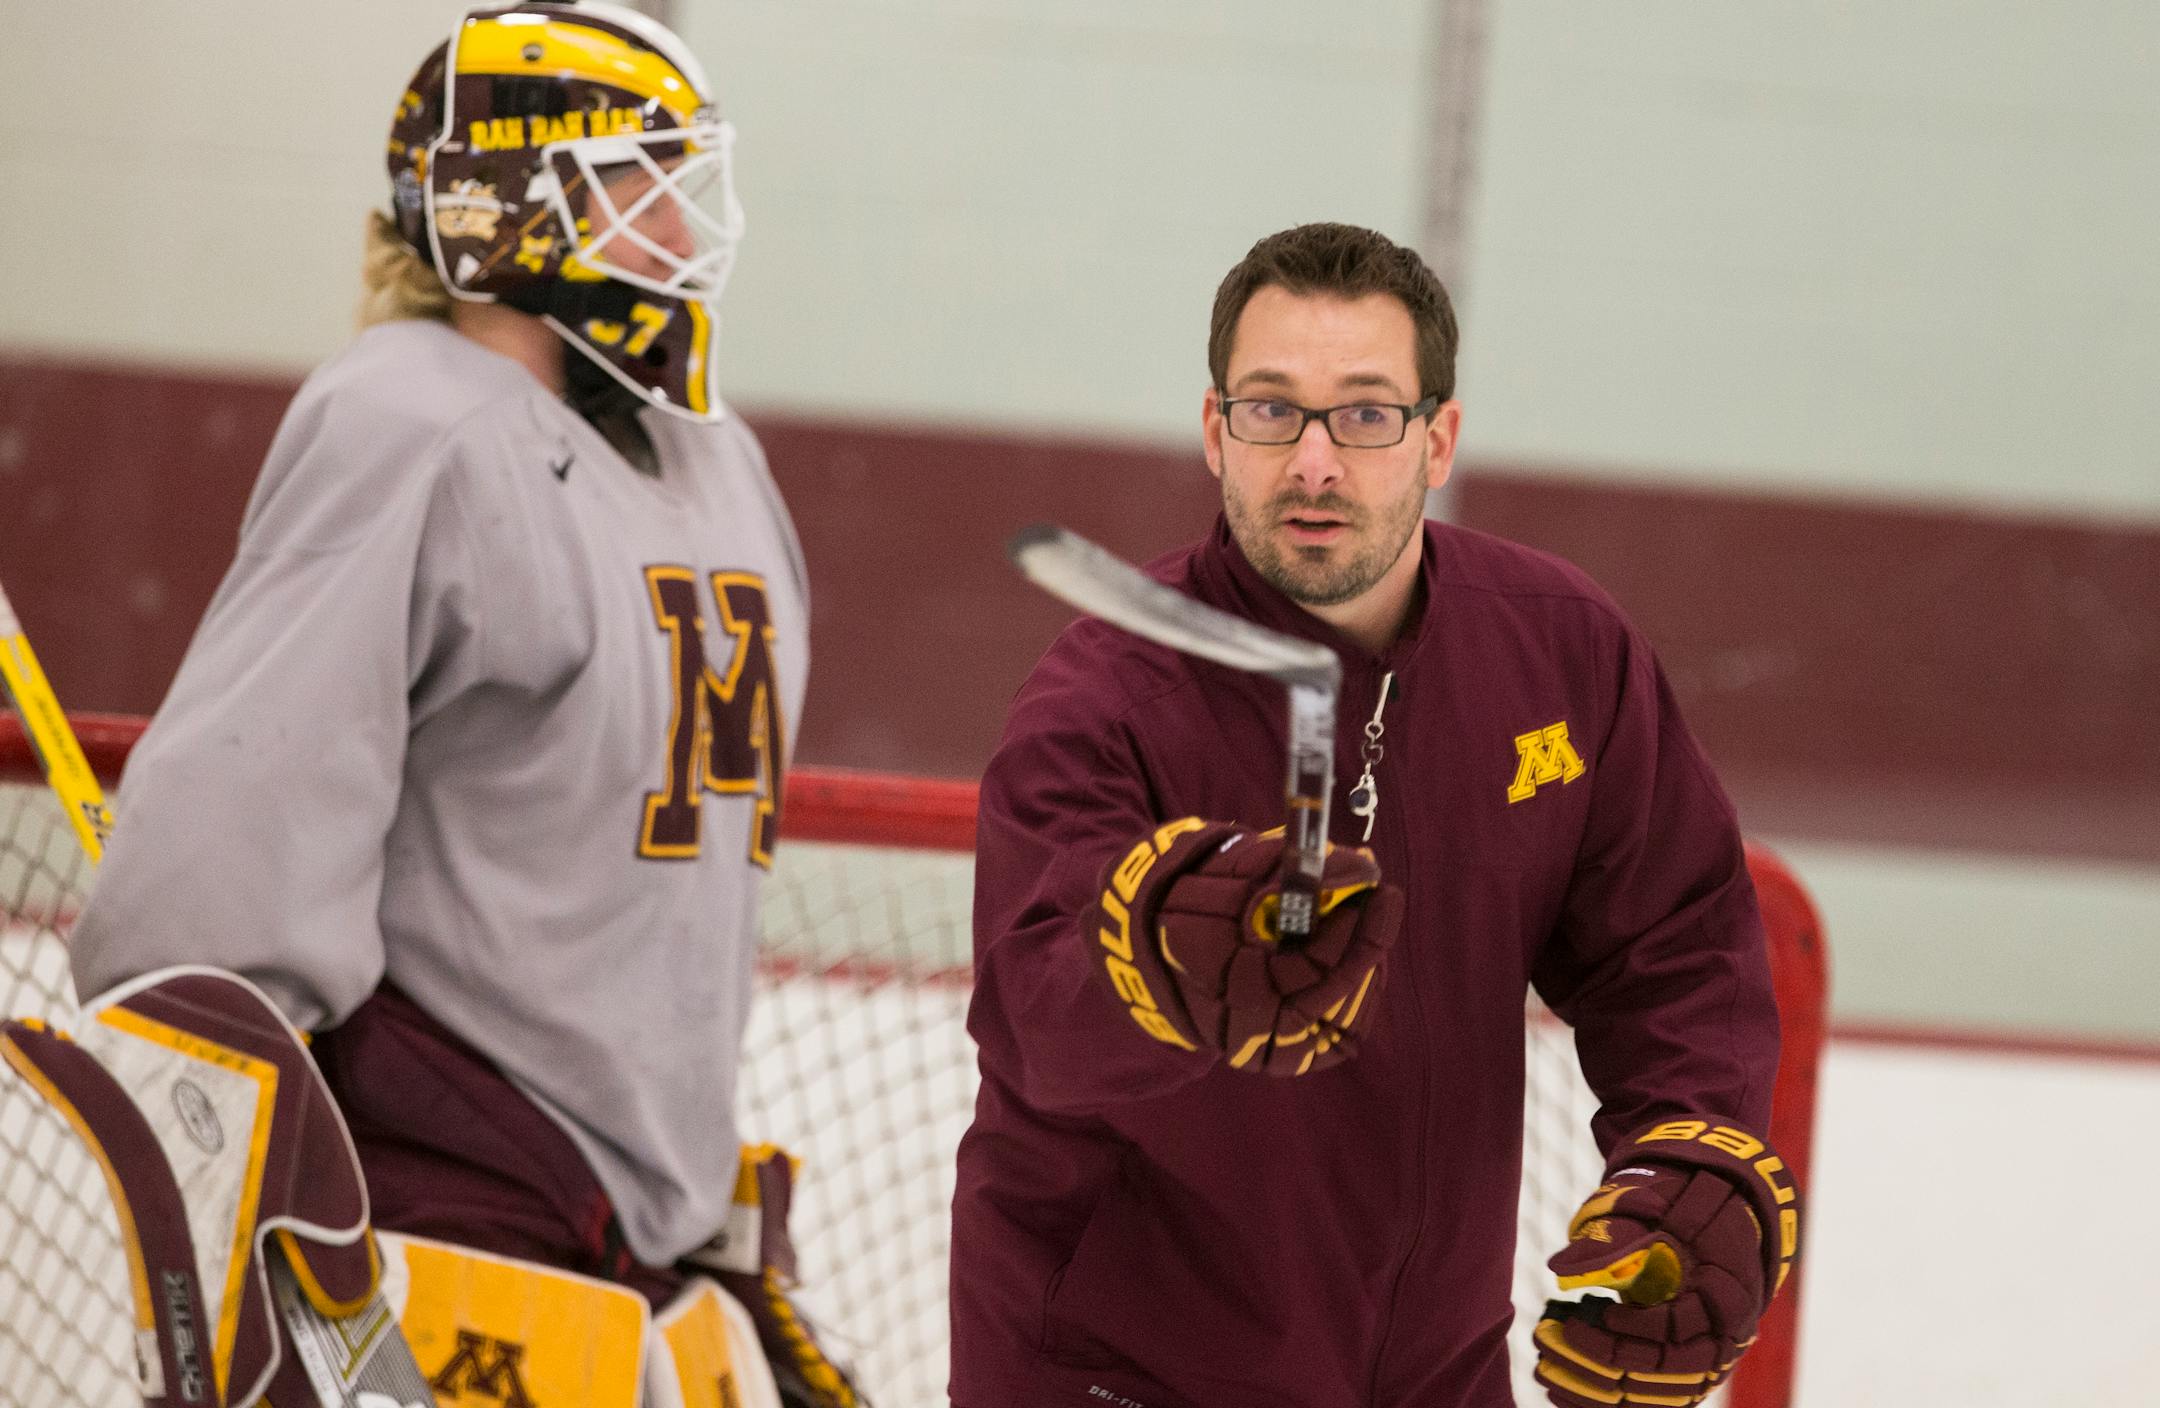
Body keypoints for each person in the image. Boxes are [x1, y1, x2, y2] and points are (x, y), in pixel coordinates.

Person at [68, 5, 856, 1402]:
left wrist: (711, 1218)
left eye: (686, 184)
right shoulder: (412, 422)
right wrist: (241, 1247)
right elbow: (213, 878)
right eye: (637, 186)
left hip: (646, 1248)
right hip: (446, 1223)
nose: (682, 235)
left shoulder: (719, 463)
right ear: (507, 208)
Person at [951, 223, 1800, 1408]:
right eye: (1269, 410)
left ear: (1437, 438)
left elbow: (1672, 947)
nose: (1312, 462)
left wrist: (1690, 1159)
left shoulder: (1558, 651)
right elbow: (1034, 1009)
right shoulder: (1108, 693)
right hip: (1121, 1375)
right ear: (1214, 432)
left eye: (1364, 414)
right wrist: (1156, 959)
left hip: (1431, 1372)